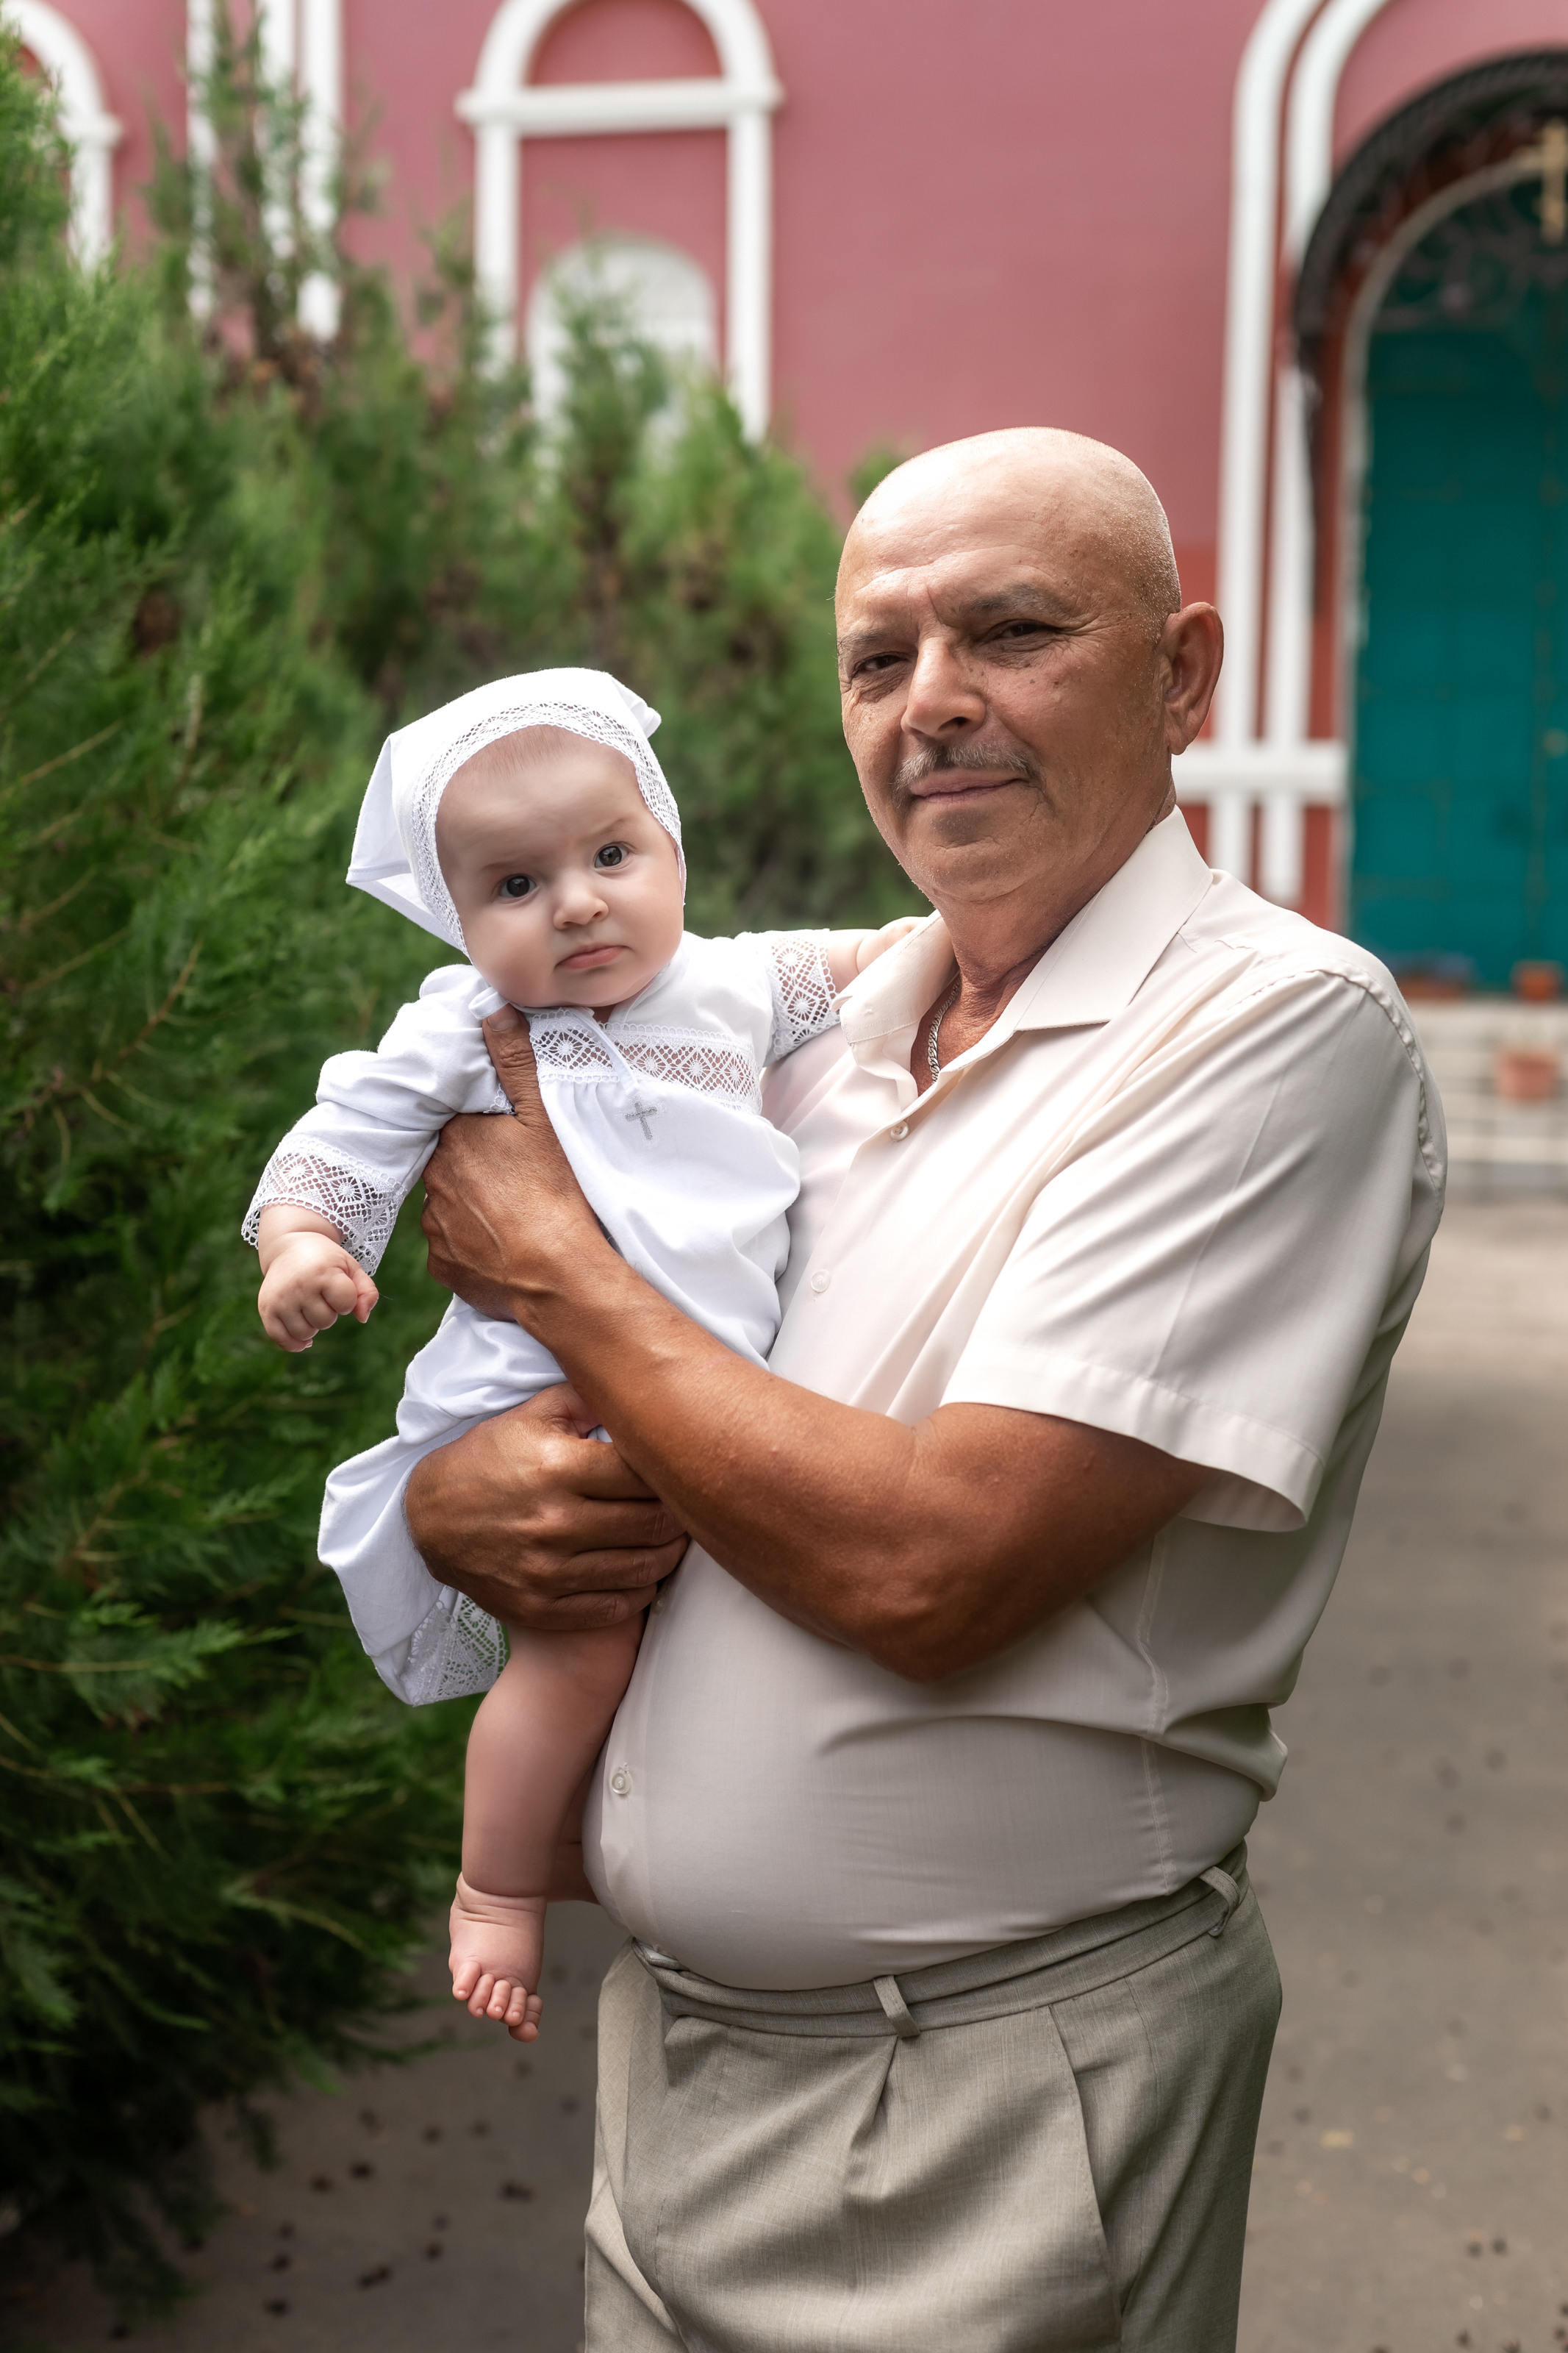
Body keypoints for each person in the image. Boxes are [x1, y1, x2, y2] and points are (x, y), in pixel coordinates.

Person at [401, 429, 1445, 2352]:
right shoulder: (814, 1017)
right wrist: (459, 1501)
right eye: (877, 660)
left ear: (1181, 675)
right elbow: (482, 1105)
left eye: (1012, 633)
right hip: (687, 2071)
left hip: (987, 2098)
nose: (933, 706)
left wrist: (556, 1267)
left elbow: (929, 1573)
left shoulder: (1272, 1032)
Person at [242, 666, 912, 2042]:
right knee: (582, 1647)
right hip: (548, 1394)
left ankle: (562, 1838)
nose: (578, 904)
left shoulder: (726, 985)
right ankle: (494, 1886)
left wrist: (950, 943)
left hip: (704, 1380)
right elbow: (343, 1138)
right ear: (457, 919)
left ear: (671, 848)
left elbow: (865, 960)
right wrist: (303, 1246)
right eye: (516, 886)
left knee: (682, 1639)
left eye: (611, 856)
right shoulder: (466, 1025)